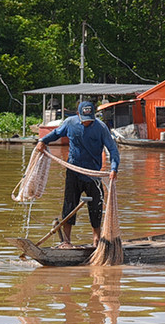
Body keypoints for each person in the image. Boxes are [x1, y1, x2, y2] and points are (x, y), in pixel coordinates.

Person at [39, 101, 120, 249]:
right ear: (78, 115)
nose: (87, 122)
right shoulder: (70, 123)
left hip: (93, 174)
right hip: (73, 172)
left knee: (96, 206)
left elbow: (113, 150)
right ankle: (66, 241)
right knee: (69, 205)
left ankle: (96, 239)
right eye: (84, 119)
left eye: (90, 119)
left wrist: (114, 168)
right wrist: (42, 141)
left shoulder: (101, 128)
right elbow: (56, 133)